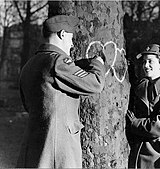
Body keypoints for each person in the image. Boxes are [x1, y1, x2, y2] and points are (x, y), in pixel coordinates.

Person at [16, 15, 106, 168]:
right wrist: (98, 63)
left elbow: (27, 105)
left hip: (34, 145)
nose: (71, 44)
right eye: (71, 38)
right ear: (62, 34)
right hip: (58, 150)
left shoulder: (29, 65)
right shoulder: (57, 61)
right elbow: (95, 84)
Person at [126, 44, 160, 168]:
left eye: (150, 61)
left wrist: (135, 123)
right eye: (144, 62)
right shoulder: (143, 85)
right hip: (141, 149)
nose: (146, 66)